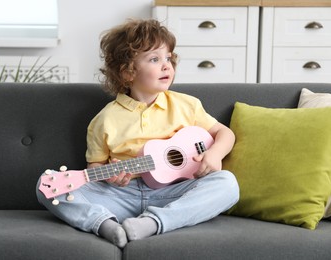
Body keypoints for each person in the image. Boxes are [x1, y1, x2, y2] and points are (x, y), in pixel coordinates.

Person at [37, 19, 239, 248]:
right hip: (120, 196)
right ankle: (105, 224)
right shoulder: (104, 120)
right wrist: (111, 177)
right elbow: (94, 168)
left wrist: (214, 154)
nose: (166, 66)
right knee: (47, 186)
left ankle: (153, 223)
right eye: (155, 59)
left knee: (228, 184)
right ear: (127, 73)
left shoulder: (187, 105)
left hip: (173, 194)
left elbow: (224, 133)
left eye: (169, 58)